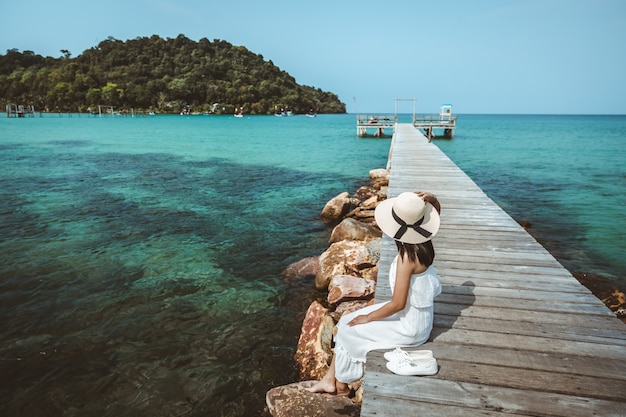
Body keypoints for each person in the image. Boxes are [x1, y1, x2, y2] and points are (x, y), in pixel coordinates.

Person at [306, 191, 442, 397]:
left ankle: (341, 387)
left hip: (411, 327)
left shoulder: (408, 258)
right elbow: (436, 213)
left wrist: (368, 316)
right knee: (346, 321)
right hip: (412, 315)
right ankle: (328, 380)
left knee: (351, 330)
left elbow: (397, 303)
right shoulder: (423, 242)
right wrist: (430, 199)